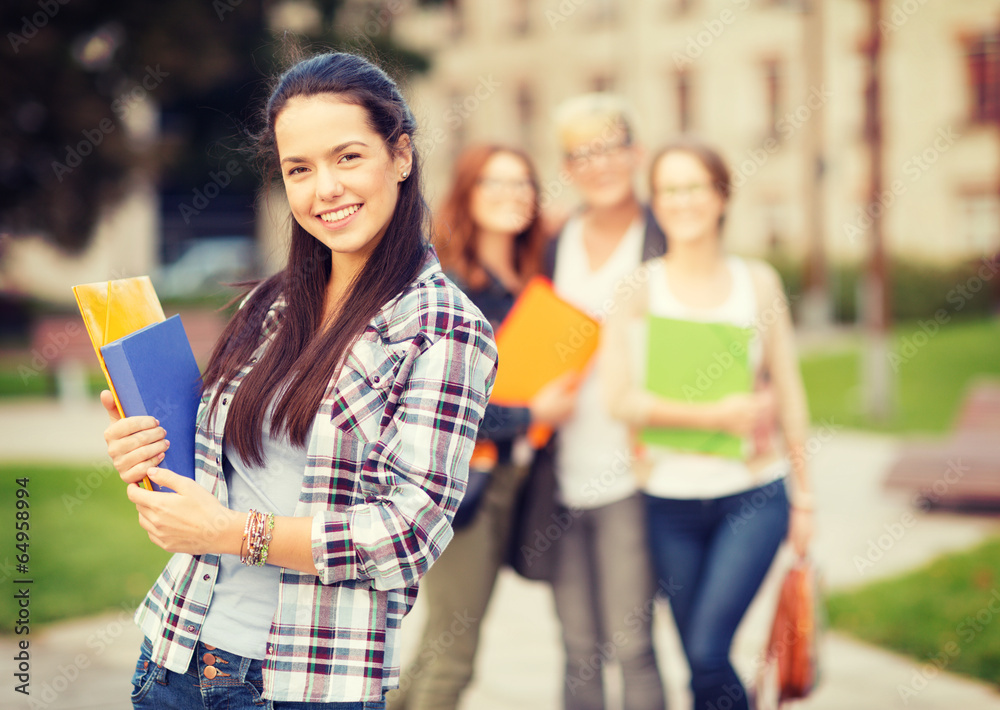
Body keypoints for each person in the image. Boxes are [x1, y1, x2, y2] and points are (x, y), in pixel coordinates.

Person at [100, 51, 498, 709]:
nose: (325, 189)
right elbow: (218, 477)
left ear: (400, 155)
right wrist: (143, 451)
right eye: (299, 169)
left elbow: (407, 534)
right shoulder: (274, 303)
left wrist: (231, 533)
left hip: (304, 684)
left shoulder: (445, 327)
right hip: (173, 653)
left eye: (348, 158)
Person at [602, 137, 814, 710]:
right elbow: (617, 398)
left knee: (707, 653)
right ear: (656, 201)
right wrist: (711, 413)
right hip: (668, 503)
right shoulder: (638, 288)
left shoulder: (759, 283)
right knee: (700, 665)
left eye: (695, 186)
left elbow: (790, 393)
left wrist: (807, 499)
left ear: (722, 196)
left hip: (752, 495)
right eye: (669, 189)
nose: (682, 200)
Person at [387, 144, 577, 710]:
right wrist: (531, 415)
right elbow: (442, 405)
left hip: (512, 482)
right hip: (457, 486)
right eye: (494, 184)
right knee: (456, 651)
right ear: (467, 194)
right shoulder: (448, 285)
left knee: (441, 639)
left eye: (523, 185)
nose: (512, 196)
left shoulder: (533, 275)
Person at [540, 94, 667, 710]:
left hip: (632, 475)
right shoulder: (555, 242)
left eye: (610, 147)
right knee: (576, 645)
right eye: (582, 154)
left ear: (635, 154)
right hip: (560, 472)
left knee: (632, 643)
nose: (600, 164)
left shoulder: (662, 236)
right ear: (568, 167)